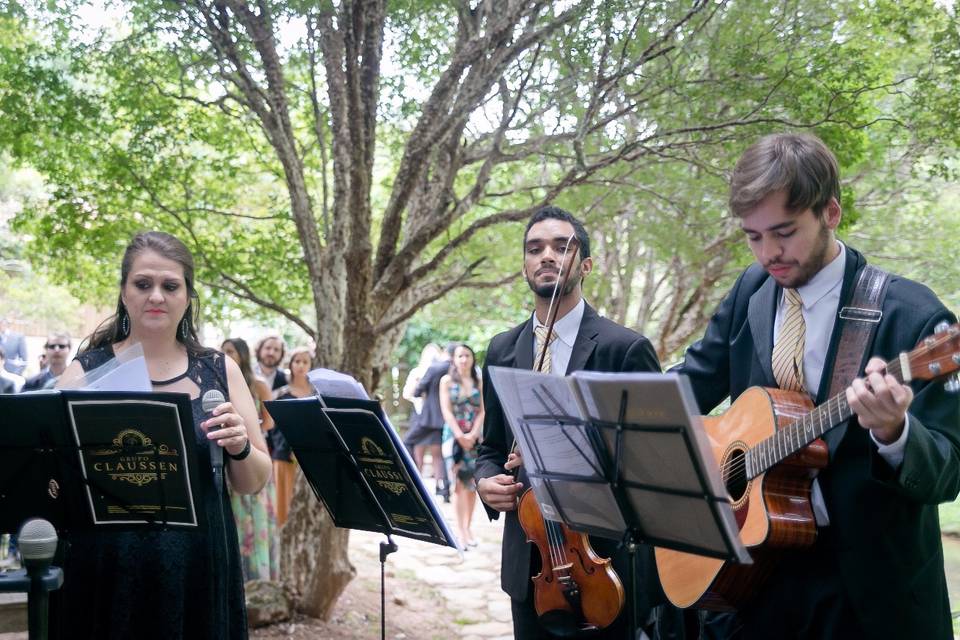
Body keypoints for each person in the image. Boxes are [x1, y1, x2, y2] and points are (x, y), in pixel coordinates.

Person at [671, 133, 960, 639]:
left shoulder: (914, 317)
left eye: (784, 232)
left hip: (866, 595)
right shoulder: (752, 291)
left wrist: (895, 433)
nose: (768, 253)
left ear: (830, 212)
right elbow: (689, 387)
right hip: (755, 577)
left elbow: (949, 471)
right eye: (753, 236)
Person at [55, 231, 272, 639]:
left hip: (198, 563)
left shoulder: (219, 370)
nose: (156, 295)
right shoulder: (83, 372)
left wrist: (241, 446)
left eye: (170, 286)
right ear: (124, 293)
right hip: (107, 564)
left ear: (187, 297)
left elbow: (253, 482)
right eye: (143, 284)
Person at [475, 206, 671, 639]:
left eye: (561, 246)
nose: (546, 255)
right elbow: (490, 449)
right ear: (525, 265)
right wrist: (486, 483)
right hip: (533, 569)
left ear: (585, 265)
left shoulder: (625, 349)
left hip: (608, 566)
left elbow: (657, 463)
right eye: (534, 248)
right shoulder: (503, 349)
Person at [222, 337, 280, 581]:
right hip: (228, 458)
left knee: (254, 520)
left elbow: (270, 421)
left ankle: (257, 577)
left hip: (253, 453)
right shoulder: (217, 381)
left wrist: (247, 427)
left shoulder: (258, 384)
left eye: (230, 351)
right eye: (223, 351)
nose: (225, 355)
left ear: (242, 355)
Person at [439, 343, 484, 546]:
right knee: (458, 483)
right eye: (459, 356)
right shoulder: (447, 381)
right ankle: (460, 531)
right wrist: (460, 435)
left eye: (467, 355)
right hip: (454, 437)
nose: (464, 359)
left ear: (472, 358)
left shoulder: (478, 381)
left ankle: (468, 527)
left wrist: (473, 434)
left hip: (475, 437)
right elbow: (446, 411)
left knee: (472, 484)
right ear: (454, 359)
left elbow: (484, 410)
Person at [271, 346, 316, 527]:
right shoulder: (281, 394)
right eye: (297, 361)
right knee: (283, 507)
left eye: (305, 362)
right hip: (284, 457)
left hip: (313, 459)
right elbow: (273, 429)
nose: (301, 365)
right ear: (290, 364)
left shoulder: (317, 394)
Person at [412, 344, 455, 500]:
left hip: (426, 418)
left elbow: (416, 392)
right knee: (439, 455)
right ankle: (443, 490)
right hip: (443, 418)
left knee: (411, 446)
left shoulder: (431, 368)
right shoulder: (453, 368)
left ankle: (414, 486)